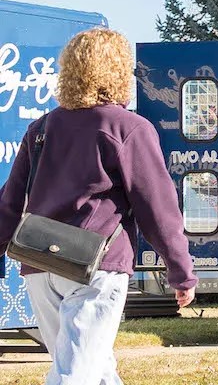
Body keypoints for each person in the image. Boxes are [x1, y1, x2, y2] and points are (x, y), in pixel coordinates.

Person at [0, 28, 196, 385]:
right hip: (95, 265)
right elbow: (157, 207)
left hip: (39, 264)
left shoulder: (42, 127)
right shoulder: (128, 128)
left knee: (93, 367)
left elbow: (10, 202)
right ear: (119, 71)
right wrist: (181, 272)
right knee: (75, 374)